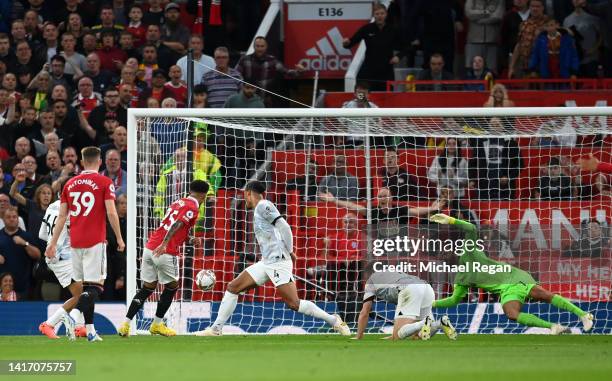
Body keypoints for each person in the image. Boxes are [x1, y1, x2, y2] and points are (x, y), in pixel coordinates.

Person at [196, 181, 351, 337]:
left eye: (245, 196)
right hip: (266, 262)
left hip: (278, 261)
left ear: (249, 193)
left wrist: (290, 251)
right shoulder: (259, 209)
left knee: (294, 304)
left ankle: (334, 321)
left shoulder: (263, 205)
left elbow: (284, 226)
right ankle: (216, 329)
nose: (245, 200)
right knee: (233, 287)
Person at [429, 213, 594, 334]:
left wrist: (451, 220)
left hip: (513, 276)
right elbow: (453, 300)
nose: (444, 255)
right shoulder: (460, 279)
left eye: (445, 251)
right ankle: (554, 327)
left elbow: (471, 228)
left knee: (544, 295)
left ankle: (584, 315)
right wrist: (431, 303)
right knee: (511, 314)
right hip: (506, 290)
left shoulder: (468, 250)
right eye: (442, 257)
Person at [44, 146, 125, 342]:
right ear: (100, 162)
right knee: (95, 288)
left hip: (75, 244)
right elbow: (112, 212)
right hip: (95, 241)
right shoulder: (105, 182)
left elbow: (62, 217)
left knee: (86, 288)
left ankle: (89, 331)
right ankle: (70, 317)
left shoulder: (70, 184)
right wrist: (120, 238)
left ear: (81, 161)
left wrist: (52, 243)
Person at [118, 180, 210, 337]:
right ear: (203, 195)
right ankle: (157, 325)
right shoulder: (193, 206)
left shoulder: (178, 202)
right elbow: (177, 224)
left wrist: (190, 239)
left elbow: (173, 226)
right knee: (172, 286)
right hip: (165, 251)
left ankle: (125, 325)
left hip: (149, 248)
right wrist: (165, 244)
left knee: (147, 288)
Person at [37, 176, 87, 339]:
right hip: (62, 259)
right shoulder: (70, 211)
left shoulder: (52, 206)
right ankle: (49, 324)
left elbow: (42, 234)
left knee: (85, 290)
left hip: (56, 255)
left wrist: (53, 244)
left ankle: (80, 327)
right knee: (80, 295)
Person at [355, 270, 457, 340]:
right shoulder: (394, 274)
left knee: (397, 336)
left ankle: (423, 323)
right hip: (426, 287)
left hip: (409, 288)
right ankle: (440, 323)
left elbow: (365, 312)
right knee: (418, 336)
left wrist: (358, 336)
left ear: (366, 275)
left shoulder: (370, 281)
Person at [320, 187, 444, 239]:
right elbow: (353, 206)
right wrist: (334, 200)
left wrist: (431, 209)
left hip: (398, 247)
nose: (383, 199)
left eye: (385, 196)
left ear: (391, 198)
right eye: (380, 197)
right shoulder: (373, 212)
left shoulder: (399, 210)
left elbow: (416, 211)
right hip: (379, 248)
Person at [343, 3, 401, 91]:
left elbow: (406, 46)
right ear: (373, 15)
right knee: (361, 95)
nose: (379, 16)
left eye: (382, 13)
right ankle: (362, 104)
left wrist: (398, 56)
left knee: (386, 99)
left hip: (386, 71)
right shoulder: (367, 28)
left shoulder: (393, 29)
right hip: (368, 70)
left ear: (386, 14)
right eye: (377, 14)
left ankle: (381, 105)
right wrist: (346, 43)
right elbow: (350, 43)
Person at [0, 207, 41, 299]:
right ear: (3, 219)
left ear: (18, 219)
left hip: (23, 287)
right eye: (8, 217)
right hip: (3, 288)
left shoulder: (26, 236)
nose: (12, 219)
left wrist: (25, 244)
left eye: (14, 217)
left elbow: (38, 255)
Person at [508, 0, 548, 79]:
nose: (535, 9)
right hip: (525, 66)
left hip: (544, 67)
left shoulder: (549, 23)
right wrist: (511, 67)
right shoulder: (524, 24)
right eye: (532, 6)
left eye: (537, 6)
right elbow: (518, 46)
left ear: (542, 8)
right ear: (529, 8)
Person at [563, 0, 602, 78]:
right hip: (575, 60)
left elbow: (601, 36)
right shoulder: (567, 20)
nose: (576, 1)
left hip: (591, 59)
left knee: (592, 86)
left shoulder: (593, 17)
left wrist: (593, 49)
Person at [464, 0, 504, 73]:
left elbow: (497, 17)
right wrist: (486, 12)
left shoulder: (499, 1)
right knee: (472, 69)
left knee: (491, 71)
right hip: (474, 40)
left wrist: (479, 21)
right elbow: (469, 13)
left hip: (492, 41)